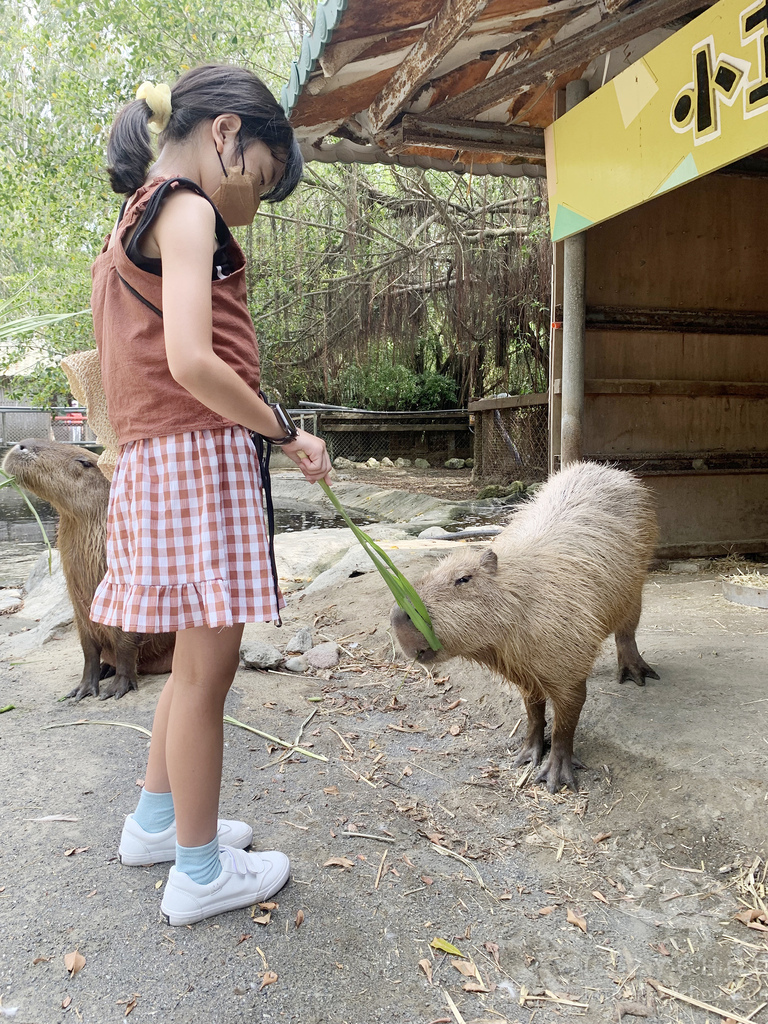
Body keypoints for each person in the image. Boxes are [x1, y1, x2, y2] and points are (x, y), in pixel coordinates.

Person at [89, 65, 331, 927]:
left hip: (161, 462)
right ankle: (197, 871)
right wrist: (283, 429)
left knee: (190, 670)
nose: (256, 204)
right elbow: (193, 360)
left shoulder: (138, 216)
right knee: (207, 675)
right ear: (227, 133)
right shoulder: (187, 207)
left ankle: (159, 824)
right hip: (200, 459)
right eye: (262, 180)